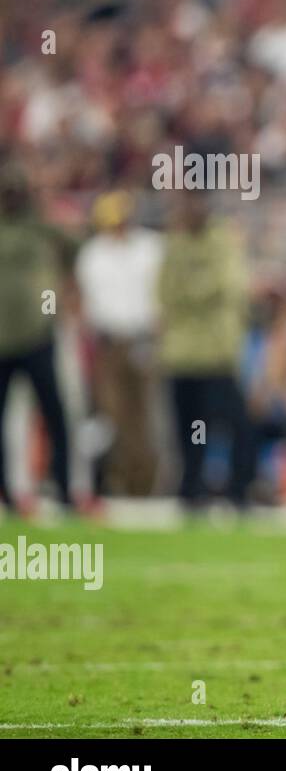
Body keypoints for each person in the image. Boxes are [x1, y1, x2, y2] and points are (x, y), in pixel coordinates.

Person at [157, 186, 254, 512]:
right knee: (190, 428)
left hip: (216, 352)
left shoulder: (223, 240)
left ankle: (239, 488)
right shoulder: (176, 243)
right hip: (183, 353)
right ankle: (192, 488)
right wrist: (196, 291)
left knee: (232, 424)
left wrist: (189, 291)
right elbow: (165, 291)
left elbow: (226, 286)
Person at [75, 190, 163, 497]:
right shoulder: (93, 254)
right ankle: (114, 481)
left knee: (145, 416)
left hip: (144, 341)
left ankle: (146, 486)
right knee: (112, 416)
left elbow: (160, 297)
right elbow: (86, 303)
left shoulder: (151, 248)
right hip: (108, 343)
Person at [0, 162, 77, 513]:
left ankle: (64, 487)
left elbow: (77, 244)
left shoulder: (41, 227)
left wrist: (45, 209)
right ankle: (6, 493)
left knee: (55, 414)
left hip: (38, 334)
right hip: (2, 338)